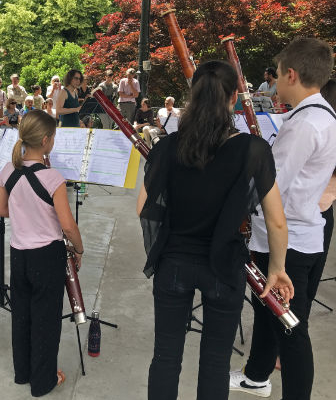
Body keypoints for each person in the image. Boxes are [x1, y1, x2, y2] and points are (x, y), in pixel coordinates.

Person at [137, 60, 292, 400]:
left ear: (192, 96)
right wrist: (277, 269)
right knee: (215, 362)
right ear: (235, 97)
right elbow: (276, 220)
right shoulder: (253, 149)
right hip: (224, 266)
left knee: (165, 357)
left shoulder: (167, 146)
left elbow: (144, 209)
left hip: (174, 263)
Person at [229, 38, 336, 400]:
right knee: (268, 311)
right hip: (295, 232)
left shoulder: (305, 124)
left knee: (291, 328)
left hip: (287, 240)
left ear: (291, 74)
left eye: (277, 76)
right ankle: (257, 376)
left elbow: (271, 183)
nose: (275, 83)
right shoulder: (320, 114)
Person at [0, 109, 84, 397]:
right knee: (46, 320)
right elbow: (67, 225)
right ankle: (43, 381)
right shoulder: (52, 177)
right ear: (46, 141)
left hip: (19, 255)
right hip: (47, 257)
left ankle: (23, 373)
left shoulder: (9, 169)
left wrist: (23, 216)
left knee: (22, 315)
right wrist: (79, 249)